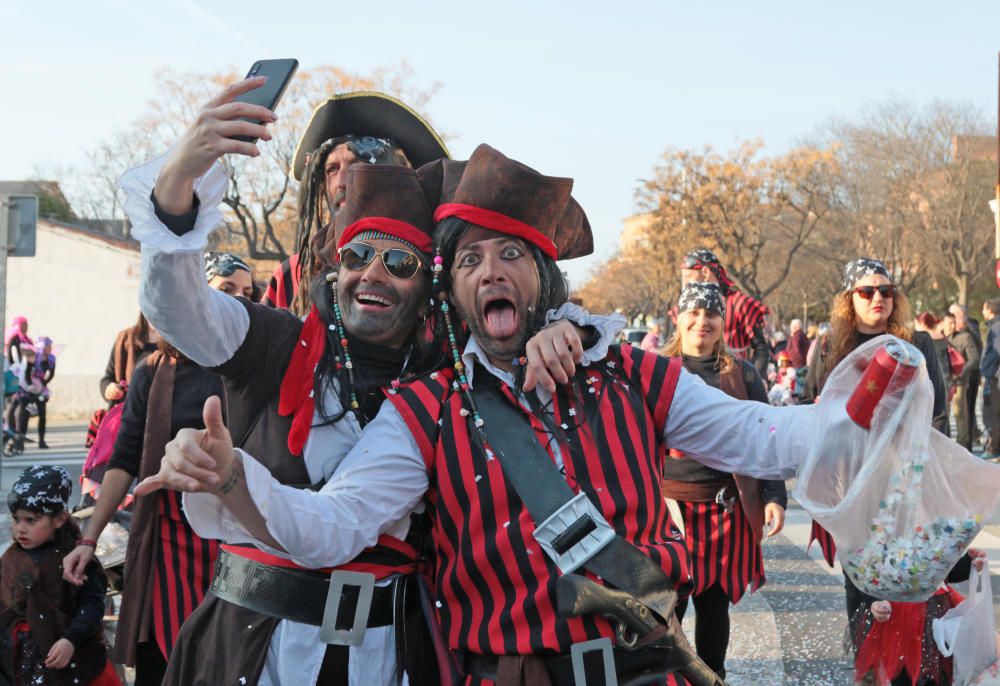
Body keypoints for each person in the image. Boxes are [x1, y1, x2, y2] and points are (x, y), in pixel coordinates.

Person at [142, 144, 899, 685]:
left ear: (542, 278)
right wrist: (235, 475)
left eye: (509, 254)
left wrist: (874, 402)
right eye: (469, 260)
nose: (489, 271)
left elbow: (764, 438)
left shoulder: (631, 374)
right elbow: (330, 525)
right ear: (456, 296)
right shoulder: (427, 409)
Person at [113, 80, 606, 686]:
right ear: (336, 265)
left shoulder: (446, 374)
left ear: (429, 283)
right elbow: (178, 306)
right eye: (357, 255)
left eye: (398, 262)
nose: (372, 272)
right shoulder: (269, 343)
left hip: (389, 652)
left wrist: (564, 330)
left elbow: (527, 316)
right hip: (252, 650)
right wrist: (177, 185)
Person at [61, 254, 250, 685]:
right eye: (227, 290)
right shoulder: (153, 371)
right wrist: (88, 540)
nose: (239, 301)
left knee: (230, 663)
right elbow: (124, 460)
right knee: (163, 662)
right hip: (168, 544)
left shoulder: (252, 372)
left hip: (239, 539)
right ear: (196, 296)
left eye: (247, 293)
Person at [800, 258, 947, 621]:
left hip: (904, 479)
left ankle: (905, 669)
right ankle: (867, 671)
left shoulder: (917, 343)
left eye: (886, 291)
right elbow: (807, 406)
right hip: (851, 480)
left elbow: (938, 412)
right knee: (860, 581)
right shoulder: (830, 346)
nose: (877, 298)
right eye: (866, 291)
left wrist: (926, 470)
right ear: (850, 299)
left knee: (907, 576)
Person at [661, 282, 787, 678]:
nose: (702, 321)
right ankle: (675, 678)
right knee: (668, 610)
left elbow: (767, 437)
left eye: (711, 313)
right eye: (693, 313)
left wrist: (774, 495)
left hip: (724, 510)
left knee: (714, 609)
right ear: (678, 318)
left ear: (723, 320)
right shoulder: (653, 369)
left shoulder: (743, 374)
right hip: (668, 512)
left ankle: (713, 676)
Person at [262, 91, 449, 313]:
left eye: (356, 167)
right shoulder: (294, 274)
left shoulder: (435, 265)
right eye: (332, 170)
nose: (341, 182)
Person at [2, 466, 121, 686]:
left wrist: (71, 640)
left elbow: (92, 606)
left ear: (59, 519)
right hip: (20, 662)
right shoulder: (11, 558)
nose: (21, 529)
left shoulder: (75, 559)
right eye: (16, 519)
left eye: (31, 520)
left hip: (71, 661)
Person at [853, 550, 987, 685]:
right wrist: (874, 600)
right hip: (898, 616)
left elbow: (946, 570)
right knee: (902, 673)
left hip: (936, 615)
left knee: (938, 673)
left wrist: (967, 562)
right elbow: (864, 569)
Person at [678, 248, 770, 377]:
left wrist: (755, 380)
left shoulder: (739, 303)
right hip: (691, 378)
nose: (684, 283)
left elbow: (761, 348)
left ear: (705, 272)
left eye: (688, 277)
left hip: (732, 380)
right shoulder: (685, 306)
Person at [949, 306, 982, 451]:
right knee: (963, 413)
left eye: (954, 315)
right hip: (957, 379)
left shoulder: (969, 333)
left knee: (965, 413)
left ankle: (966, 445)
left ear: (961, 316)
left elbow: (974, 358)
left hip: (968, 378)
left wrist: (961, 372)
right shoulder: (951, 334)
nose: (952, 319)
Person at [915, 312, 952, 435]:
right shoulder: (942, 337)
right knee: (943, 414)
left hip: (927, 378)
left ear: (922, 323)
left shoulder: (921, 339)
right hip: (945, 378)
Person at [980, 298, 1000, 456]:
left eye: (984, 309)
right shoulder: (994, 326)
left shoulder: (997, 327)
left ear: (990, 310)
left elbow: (995, 353)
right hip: (994, 376)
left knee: (992, 413)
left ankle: (994, 448)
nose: (982, 312)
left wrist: (985, 370)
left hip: (995, 378)